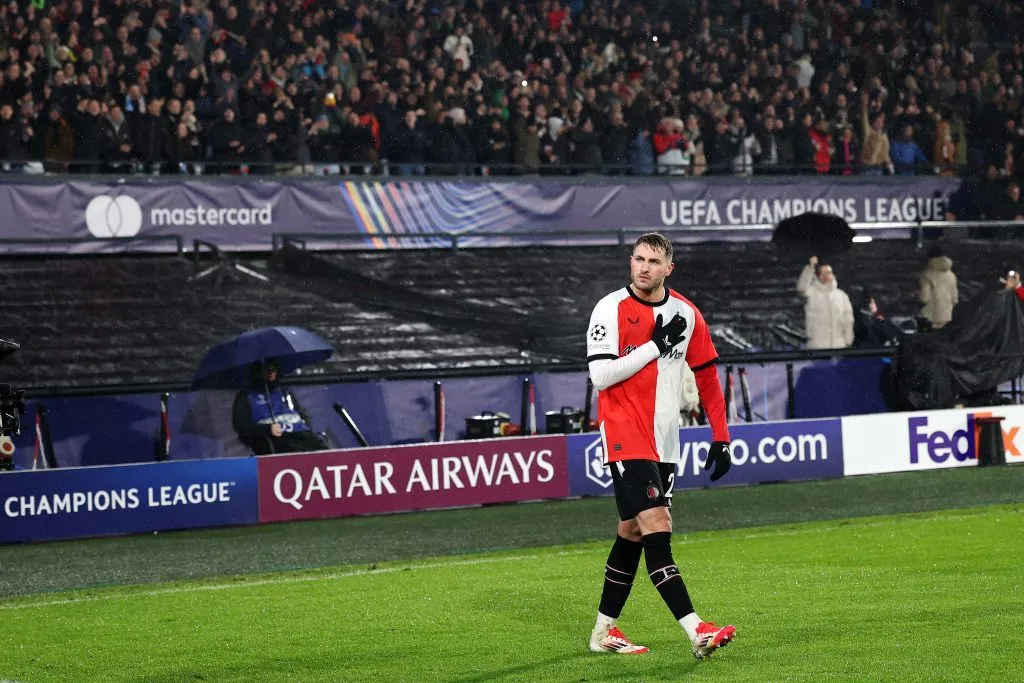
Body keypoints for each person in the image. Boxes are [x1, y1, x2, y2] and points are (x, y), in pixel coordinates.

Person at [585, 232, 736, 660]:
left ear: (669, 267)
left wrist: (721, 436)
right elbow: (600, 376)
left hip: (665, 442)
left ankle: (602, 632)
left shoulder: (686, 313)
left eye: (653, 260)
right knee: (657, 523)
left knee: (632, 531)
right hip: (623, 432)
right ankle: (697, 630)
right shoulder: (610, 308)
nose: (643, 267)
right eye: (638, 259)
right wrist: (655, 345)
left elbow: (706, 375)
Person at [232, 359, 329, 455]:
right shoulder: (246, 396)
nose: (270, 372)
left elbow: (301, 415)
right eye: (266, 368)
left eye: (273, 368)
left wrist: (304, 425)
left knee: (325, 451)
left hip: (301, 435)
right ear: (257, 372)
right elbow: (242, 427)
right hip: (275, 439)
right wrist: (267, 429)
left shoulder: (285, 392)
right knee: (291, 451)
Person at [796, 256, 854, 349]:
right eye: (822, 273)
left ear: (833, 275)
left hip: (839, 346)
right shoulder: (811, 292)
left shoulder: (841, 295)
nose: (825, 276)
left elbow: (848, 319)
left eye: (828, 273)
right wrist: (811, 267)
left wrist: (848, 341)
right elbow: (801, 289)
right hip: (817, 346)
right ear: (817, 276)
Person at [917, 246, 958, 329]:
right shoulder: (951, 275)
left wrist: (917, 295)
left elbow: (925, 298)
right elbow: (955, 299)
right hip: (947, 317)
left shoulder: (926, 275)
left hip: (930, 318)